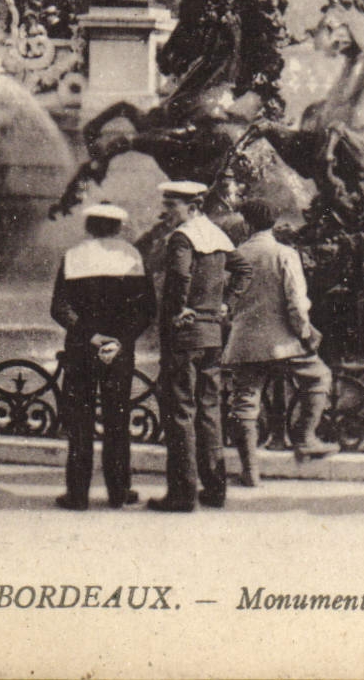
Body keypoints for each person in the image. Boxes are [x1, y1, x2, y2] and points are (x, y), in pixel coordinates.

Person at [148, 181, 252, 513]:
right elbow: (243, 270)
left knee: (180, 412)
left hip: (184, 336)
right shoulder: (217, 236)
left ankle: (182, 494)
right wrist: (226, 304)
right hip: (211, 336)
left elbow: (179, 275)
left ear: (192, 207)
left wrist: (178, 308)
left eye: (171, 205)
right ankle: (215, 488)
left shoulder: (183, 236)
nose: (165, 211)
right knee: (209, 410)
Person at [222, 197, 337, 487]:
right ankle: (305, 438)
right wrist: (305, 333)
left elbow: (225, 302)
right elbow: (296, 303)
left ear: (247, 224)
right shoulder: (285, 254)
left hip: (244, 342)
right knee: (319, 378)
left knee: (245, 403)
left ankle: (250, 471)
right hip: (284, 342)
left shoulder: (233, 255)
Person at [50, 202, 156, 511]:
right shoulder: (132, 257)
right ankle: (119, 492)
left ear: (88, 226)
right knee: (117, 419)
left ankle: (78, 494)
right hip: (119, 351)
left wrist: (91, 337)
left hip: (82, 348)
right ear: (119, 227)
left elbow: (59, 308)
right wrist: (120, 342)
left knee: (80, 421)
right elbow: (147, 310)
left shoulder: (73, 257)